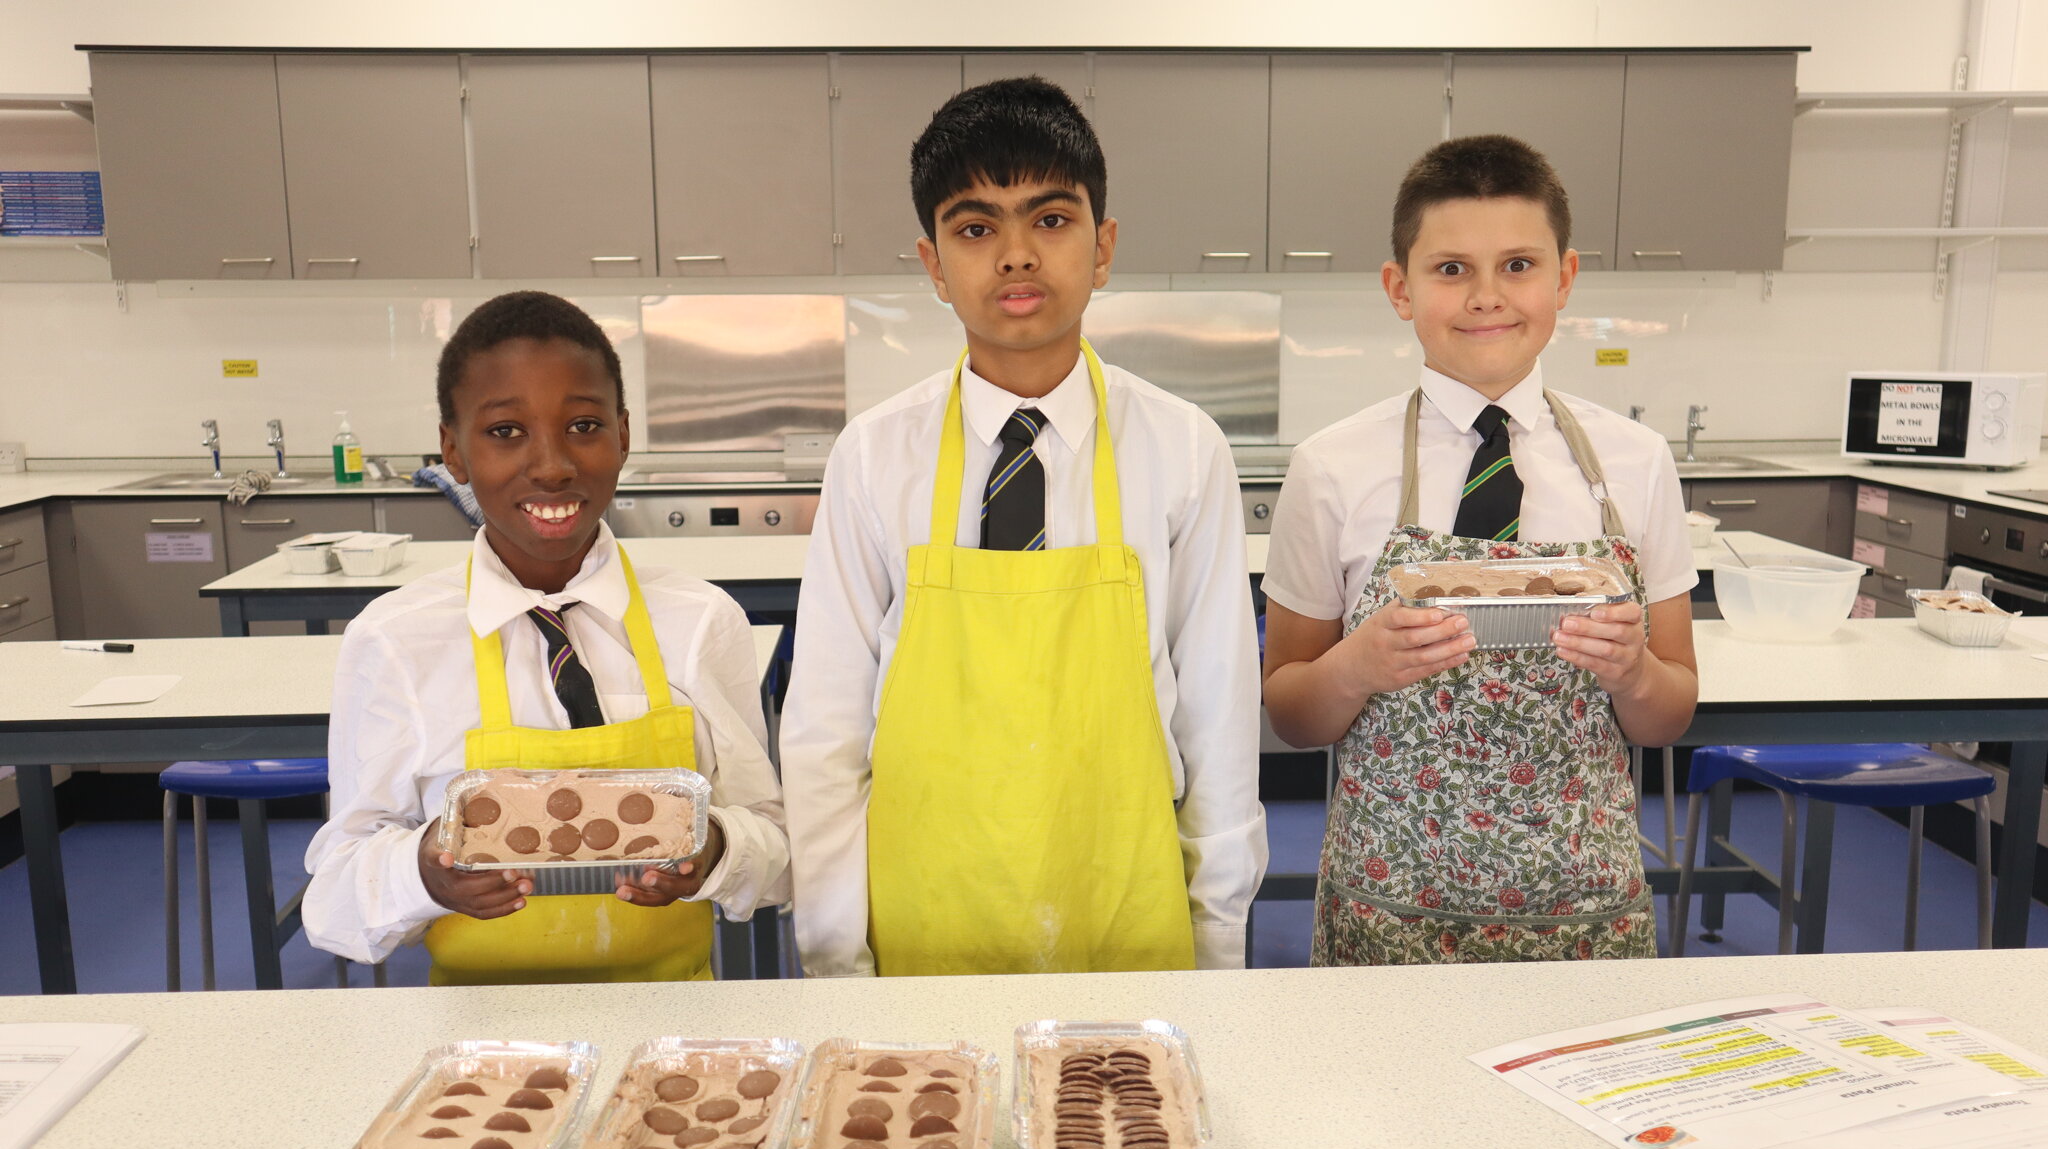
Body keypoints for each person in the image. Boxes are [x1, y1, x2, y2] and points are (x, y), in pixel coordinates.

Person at [781, 77, 1266, 977]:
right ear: (933, 265)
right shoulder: (874, 457)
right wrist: (836, 958)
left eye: (1049, 220)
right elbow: (826, 733)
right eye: (976, 228)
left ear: (1103, 244)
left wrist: (1219, 949)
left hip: (1125, 903)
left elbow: (1219, 719)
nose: (1015, 256)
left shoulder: (1184, 449)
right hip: (923, 907)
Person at [1260, 135, 1699, 966]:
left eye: (1520, 266)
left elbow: (1669, 713)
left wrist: (1635, 673)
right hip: (1388, 917)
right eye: (1451, 268)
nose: (1487, 297)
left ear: (1564, 278)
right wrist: (1357, 667)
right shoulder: (1332, 467)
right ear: (1401, 287)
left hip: (1588, 919)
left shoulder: (1636, 464)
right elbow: (1288, 710)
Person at [304, 290, 789, 983]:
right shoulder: (395, 642)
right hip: (477, 1050)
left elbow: (776, 851)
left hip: (677, 1029)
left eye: (584, 424)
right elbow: (333, 898)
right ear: (453, 451)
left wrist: (714, 851)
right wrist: (422, 873)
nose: (553, 464)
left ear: (624, 434)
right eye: (506, 431)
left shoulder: (702, 622)